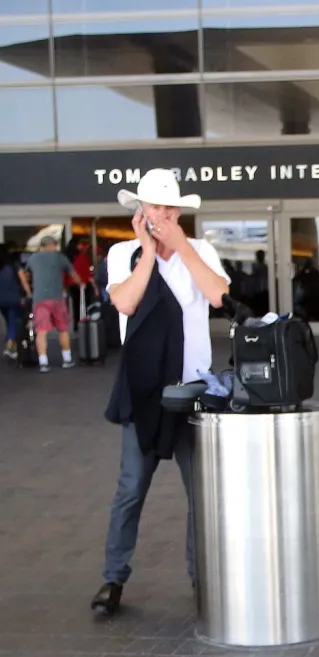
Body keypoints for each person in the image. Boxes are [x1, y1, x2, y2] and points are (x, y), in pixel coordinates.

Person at [91, 168, 230, 616]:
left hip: (193, 389)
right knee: (131, 488)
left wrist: (183, 247)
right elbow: (126, 303)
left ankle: (200, 578)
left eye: (170, 207)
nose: (163, 214)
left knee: (201, 494)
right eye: (155, 207)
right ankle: (113, 579)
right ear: (141, 211)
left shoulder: (200, 250)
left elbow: (218, 296)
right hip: (144, 389)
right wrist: (148, 252)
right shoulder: (122, 253)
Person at [20, 236, 80, 372]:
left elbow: (25, 274)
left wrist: (29, 290)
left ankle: (43, 362)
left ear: (42, 245)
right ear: (53, 245)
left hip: (40, 299)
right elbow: (73, 274)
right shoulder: (60, 258)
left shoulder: (33, 258)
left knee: (41, 331)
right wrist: (81, 284)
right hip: (57, 299)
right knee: (63, 329)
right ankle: (67, 359)